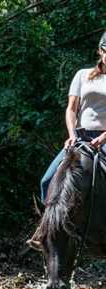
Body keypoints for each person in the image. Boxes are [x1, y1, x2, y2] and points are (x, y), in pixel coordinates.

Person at [39, 31, 106, 203]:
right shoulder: (82, 75)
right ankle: (47, 224)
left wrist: (103, 137)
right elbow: (71, 109)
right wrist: (72, 135)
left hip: (105, 138)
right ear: (100, 50)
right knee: (47, 181)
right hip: (81, 137)